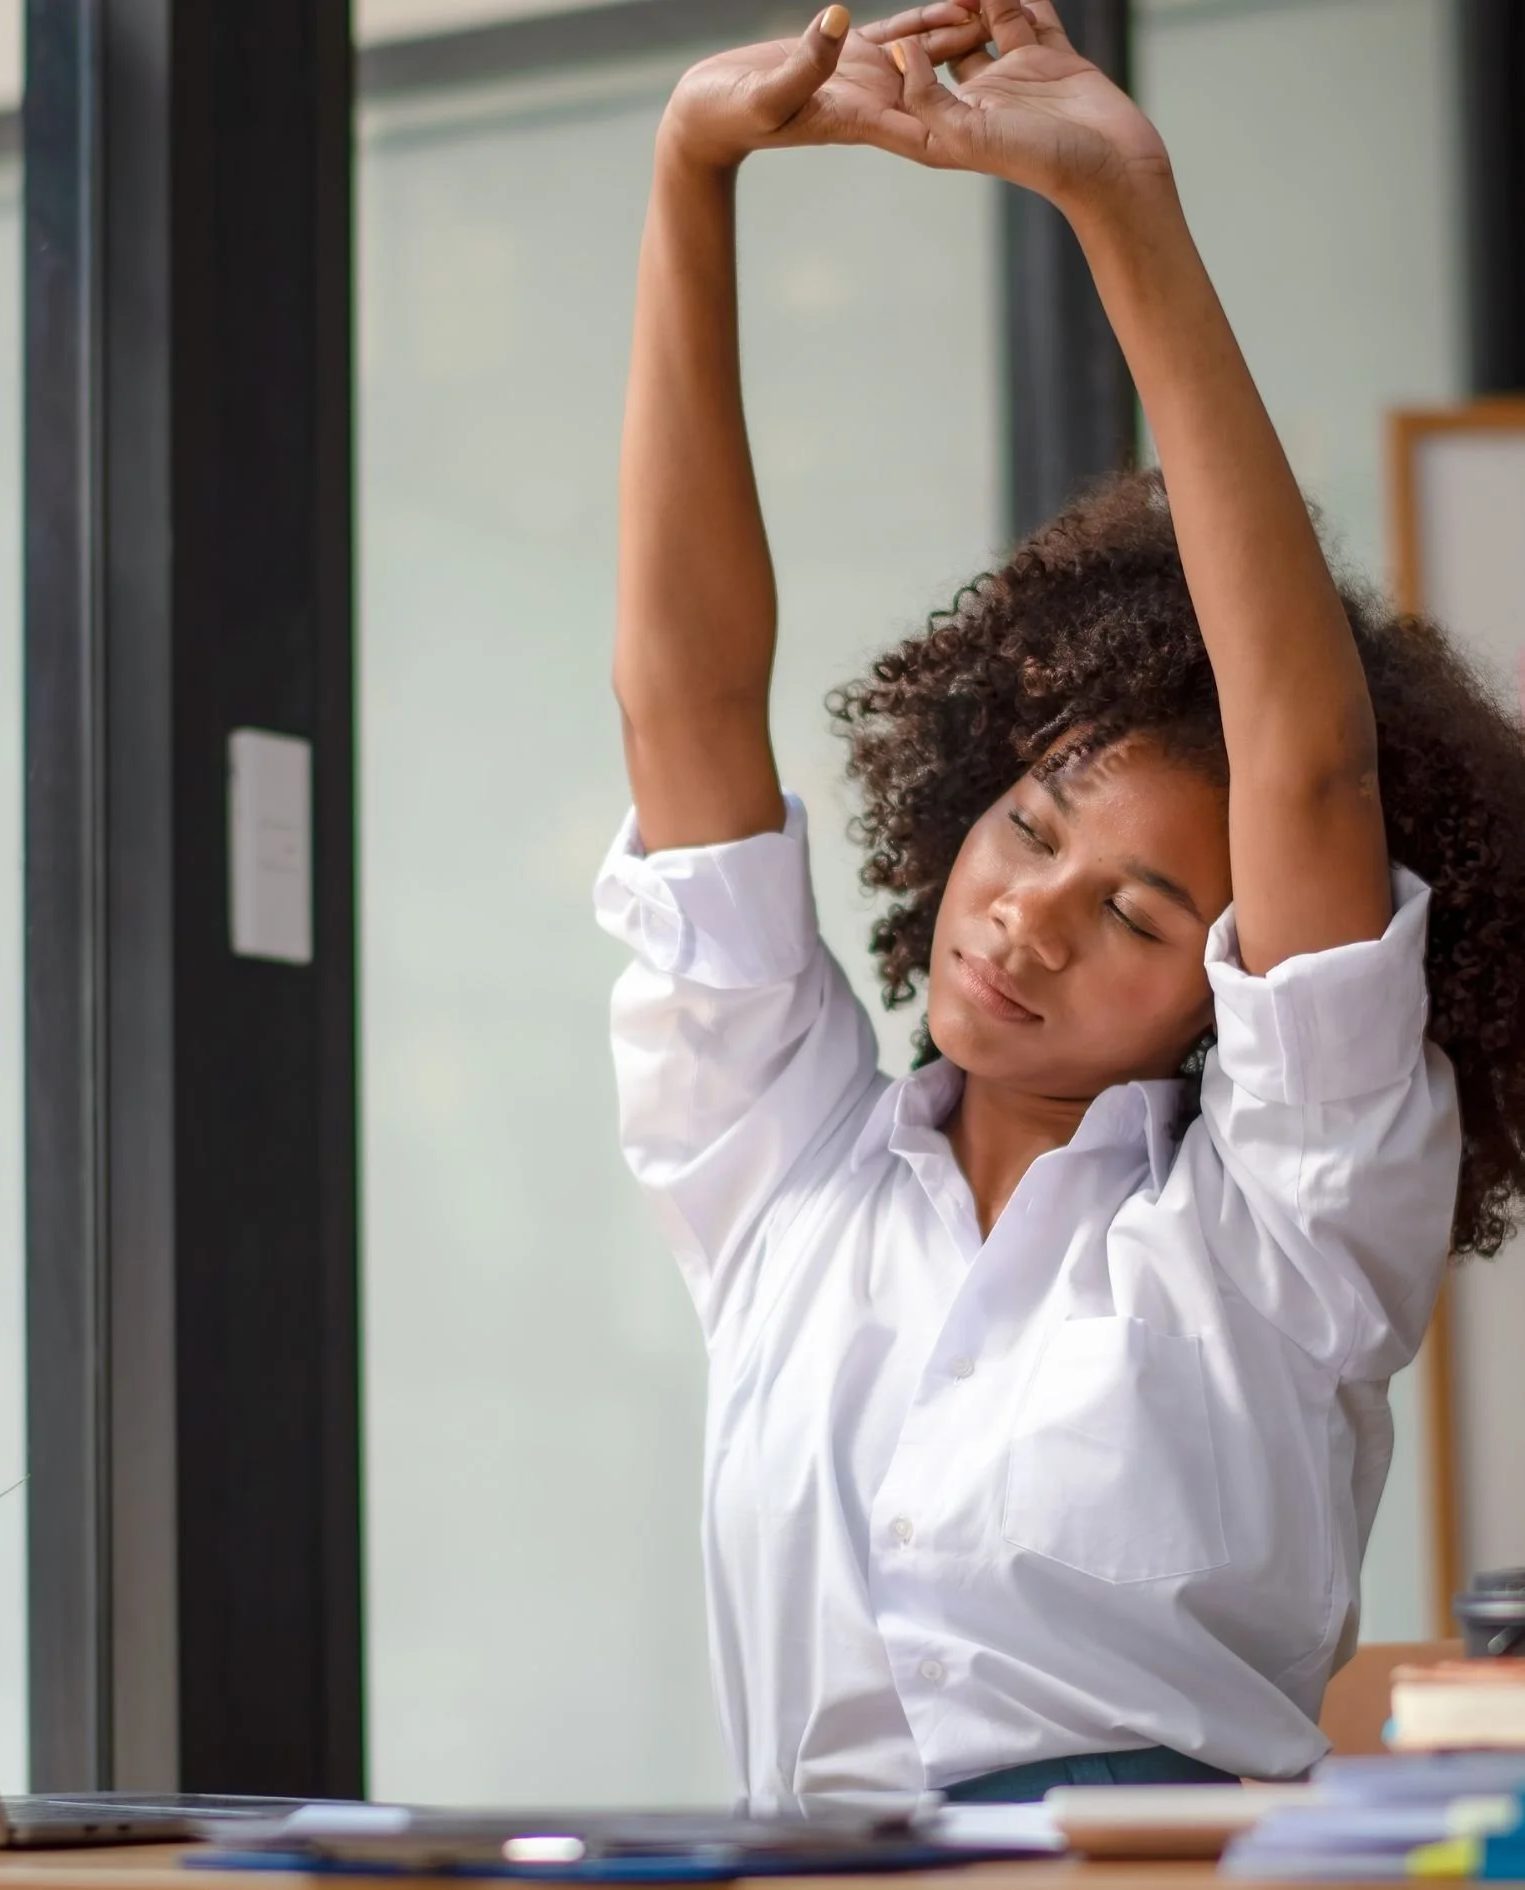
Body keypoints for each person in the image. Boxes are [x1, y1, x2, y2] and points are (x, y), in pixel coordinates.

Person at [594, 0, 1525, 1808]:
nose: (1026, 918)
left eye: (1138, 913)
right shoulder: (780, 1175)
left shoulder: (1286, 1234)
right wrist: (692, 172)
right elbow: (685, 704)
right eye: (1026, 830)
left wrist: (1121, 207)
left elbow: (1311, 767)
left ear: (1232, 986)